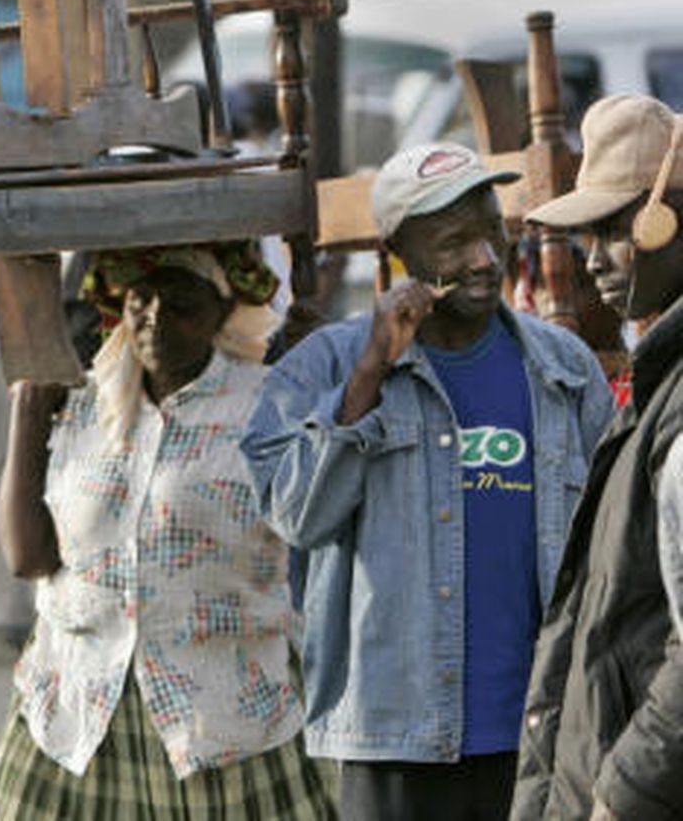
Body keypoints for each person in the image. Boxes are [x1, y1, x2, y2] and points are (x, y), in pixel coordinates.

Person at [241, 141, 613, 820]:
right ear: (399, 252)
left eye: (491, 230)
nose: (483, 258)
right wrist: (369, 375)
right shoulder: (323, 366)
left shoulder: (564, 369)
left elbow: (609, 547)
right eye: (454, 242)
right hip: (393, 743)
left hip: (543, 733)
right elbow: (295, 516)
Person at [0, 244, 334, 819]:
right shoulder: (80, 404)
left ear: (223, 313)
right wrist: (26, 409)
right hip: (80, 709)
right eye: (142, 299)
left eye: (182, 303)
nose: (156, 316)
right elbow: (27, 557)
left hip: (219, 717)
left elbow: (315, 526)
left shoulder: (266, 404)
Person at [512, 95, 683, 821]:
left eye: (612, 230)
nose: (590, 261)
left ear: (665, 218)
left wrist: (624, 791)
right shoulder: (653, 381)